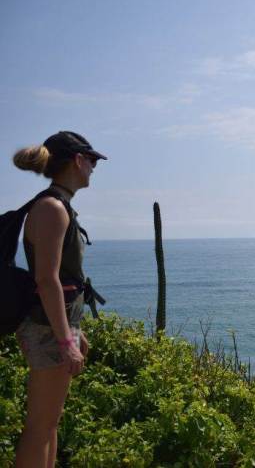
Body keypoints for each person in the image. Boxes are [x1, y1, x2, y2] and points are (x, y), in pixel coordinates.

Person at [12, 131, 107, 468]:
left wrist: (74, 330)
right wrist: (66, 340)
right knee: (40, 427)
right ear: (78, 160)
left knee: (49, 424)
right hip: (47, 328)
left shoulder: (57, 205)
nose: (94, 168)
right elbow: (47, 280)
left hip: (53, 324)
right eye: (92, 161)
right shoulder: (52, 208)